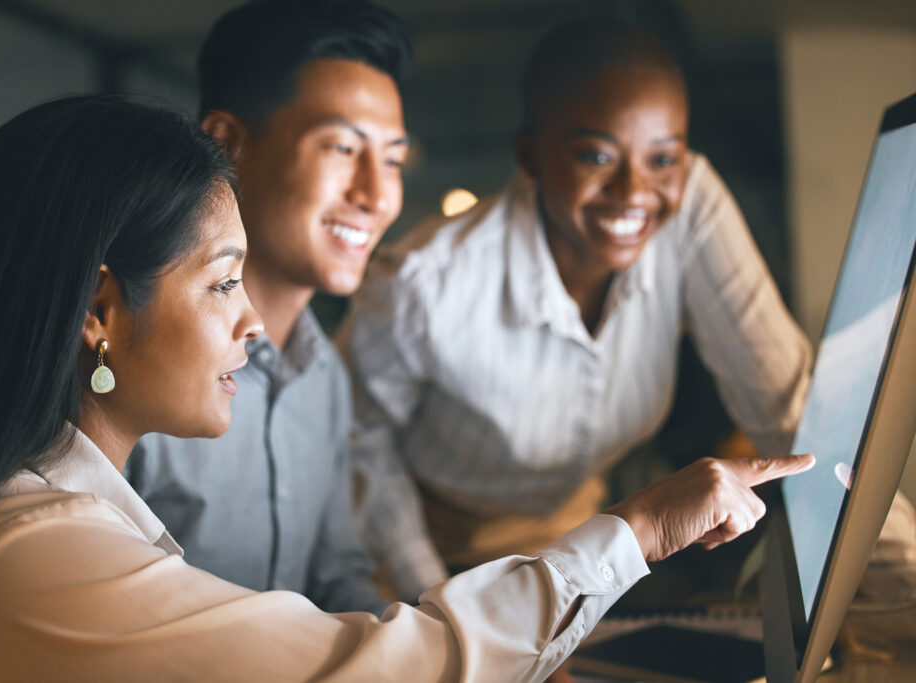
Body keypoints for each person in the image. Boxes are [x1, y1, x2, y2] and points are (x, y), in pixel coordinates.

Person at [0, 95, 813, 683]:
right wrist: (639, 529)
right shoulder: (39, 560)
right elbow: (387, 670)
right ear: (102, 307)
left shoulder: (64, 522)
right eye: (221, 283)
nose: (251, 324)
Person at [339, 19, 814, 601]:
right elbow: (359, 438)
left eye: (663, 159)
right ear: (530, 156)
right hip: (422, 550)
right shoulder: (423, 281)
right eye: (596, 154)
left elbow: (788, 406)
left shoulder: (690, 208)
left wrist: (902, 583)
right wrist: (442, 605)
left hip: (584, 546)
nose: (635, 191)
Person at [125, 0, 409, 614]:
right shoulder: (137, 357)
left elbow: (336, 577)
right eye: (340, 148)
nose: (377, 194)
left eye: (393, 160)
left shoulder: (326, 377)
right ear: (227, 145)